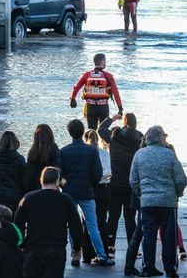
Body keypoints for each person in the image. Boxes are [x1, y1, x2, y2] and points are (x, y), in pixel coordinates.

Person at [15, 167, 85, 278]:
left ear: (41, 180)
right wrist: (77, 246)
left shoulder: (28, 199)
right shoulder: (66, 200)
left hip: (33, 248)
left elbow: (17, 222)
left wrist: (21, 243)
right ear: (58, 181)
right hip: (56, 249)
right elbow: (76, 226)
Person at [129, 126, 187, 278]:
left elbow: (133, 180)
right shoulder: (169, 155)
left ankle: (147, 268)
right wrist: (177, 194)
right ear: (161, 138)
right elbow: (181, 179)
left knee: (148, 235)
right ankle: (170, 270)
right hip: (167, 201)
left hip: (147, 201)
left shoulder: (139, 155)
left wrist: (141, 194)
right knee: (169, 236)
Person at [57, 119, 114, 266]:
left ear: (70, 133)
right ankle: (101, 255)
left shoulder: (63, 151)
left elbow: (60, 174)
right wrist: (91, 184)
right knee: (92, 225)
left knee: (72, 224)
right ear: (82, 132)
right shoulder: (92, 151)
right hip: (87, 192)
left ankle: (75, 254)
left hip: (70, 192)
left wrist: (64, 186)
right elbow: (98, 172)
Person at [98, 113, 142, 256]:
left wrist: (111, 118)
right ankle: (133, 247)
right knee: (130, 218)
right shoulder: (140, 140)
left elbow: (100, 129)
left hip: (114, 184)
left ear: (124, 123)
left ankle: (110, 246)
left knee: (113, 217)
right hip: (131, 186)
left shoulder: (114, 136)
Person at [69, 52, 123, 130]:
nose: (105, 63)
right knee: (103, 131)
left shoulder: (87, 75)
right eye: (105, 61)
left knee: (91, 131)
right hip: (103, 107)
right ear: (102, 62)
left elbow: (76, 87)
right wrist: (120, 108)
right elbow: (115, 92)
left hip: (91, 107)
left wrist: (73, 99)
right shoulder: (108, 76)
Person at [84, 129, 112, 255]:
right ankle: (104, 250)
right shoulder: (105, 154)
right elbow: (108, 173)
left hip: (89, 189)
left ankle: (88, 254)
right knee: (102, 222)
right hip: (103, 189)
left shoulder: (85, 153)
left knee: (88, 222)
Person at [0, 130, 27, 215]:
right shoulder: (20, 159)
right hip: (12, 199)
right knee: (9, 225)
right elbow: (23, 179)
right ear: (15, 143)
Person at [24, 124, 59, 194]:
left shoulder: (32, 153)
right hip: (52, 189)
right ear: (50, 136)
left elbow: (29, 176)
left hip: (34, 191)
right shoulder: (55, 150)